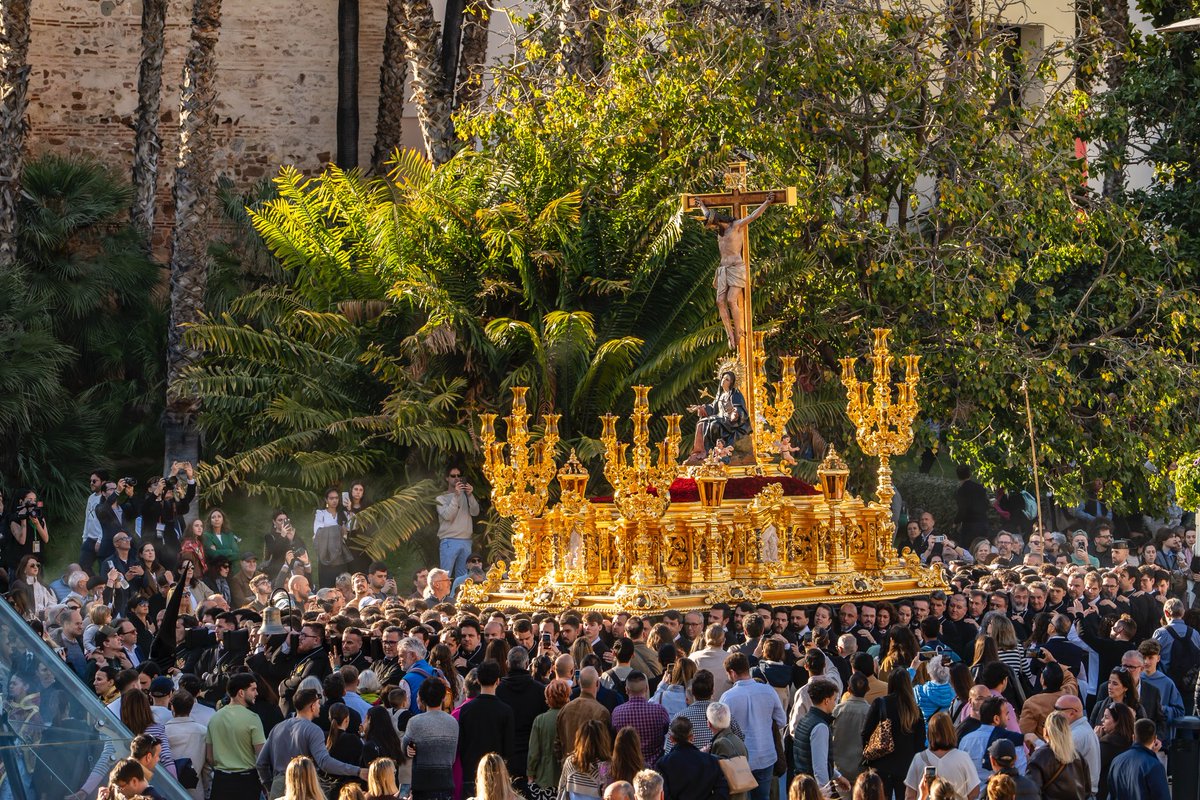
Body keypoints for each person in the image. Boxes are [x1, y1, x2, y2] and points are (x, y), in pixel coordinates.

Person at [694, 192, 774, 351]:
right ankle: (729, 333)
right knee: (719, 301)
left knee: (731, 300)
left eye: (713, 225)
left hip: (736, 268)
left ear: (718, 221)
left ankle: (738, 331)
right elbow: (708, 214)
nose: (712, 228)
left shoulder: (735, 226)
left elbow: (752, 216)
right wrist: (701, 205)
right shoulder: (720, 231)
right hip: (723, 269)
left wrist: (766, 203)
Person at [256, 688, 367, 799]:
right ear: (312, 706)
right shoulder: (313, 730)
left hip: (278, 787)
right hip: (303, 788)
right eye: (318, 703)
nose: (320, 706)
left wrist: (270, 787)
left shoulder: (277, 728)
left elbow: (261, 763)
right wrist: (357, 771)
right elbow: (324, 762)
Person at [721, 652, 786, 800]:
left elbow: (722, 729)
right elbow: (781, 721)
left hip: (740, 758)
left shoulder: (727, 697)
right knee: (763, 796)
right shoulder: (768, 690)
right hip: (766, 754)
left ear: (732, 672)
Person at [862, 669, 926, 800]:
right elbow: (920, 743)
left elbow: (865, 732)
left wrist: (869, 755)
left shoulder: (880, 703)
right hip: (906, 766)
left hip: (881, 763)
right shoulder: (915, 709)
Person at [457, 659, 515, 798]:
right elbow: (508, 748)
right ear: (498, 681)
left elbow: (461, 744)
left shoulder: (466, 710)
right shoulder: (505, 711)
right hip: (497, 774)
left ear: (478, 680)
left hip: (471, 773)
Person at [207, 673, 267, 797]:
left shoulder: (214, 718)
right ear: (241, 693)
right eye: (253, 689)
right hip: (246, 782)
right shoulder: (253, 718)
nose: (256, 693)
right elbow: (262, 756)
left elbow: (209, 757)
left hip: (220, 782)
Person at [402, 678, 459, 800]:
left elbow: (405, 753)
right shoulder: (453, 722)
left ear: (422, 698)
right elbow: (452, 758)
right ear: (443, 697)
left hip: (422, 786)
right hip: (446, 785)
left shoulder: (415, 722)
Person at [904, 711, 979, 800]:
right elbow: (974, 792)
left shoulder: (919, 759)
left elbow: (910, 795)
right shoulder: (963, 758)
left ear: (930, 733)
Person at [655, 716, 729, 800]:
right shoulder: (711, 761)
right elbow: (722, 792)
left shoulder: (663, 764)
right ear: (692, 737)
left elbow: (663, 795)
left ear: (671, 739)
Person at [687, 371, 751, 461]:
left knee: (714, 424)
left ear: (731, 383)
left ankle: (716, 451)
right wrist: (700, 408)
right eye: (723, 378)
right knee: (701, 423)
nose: (724, 380)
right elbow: (713, 408)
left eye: (727, 379)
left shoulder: (735, 394)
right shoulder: (720, 395)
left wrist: (735, 414)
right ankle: (701, 452)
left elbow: (739, 408)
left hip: (731, 422)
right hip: (721, 418)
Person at [1025, 711, 1090, 800]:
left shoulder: (1039, 757)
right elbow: (1087, 790)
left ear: (1046, 731)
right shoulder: (1078, 756)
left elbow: (1031, 791)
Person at [611, 671, 670, 767]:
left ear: (626, 690)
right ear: (646, 689)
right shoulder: (660, 711)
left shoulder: (617, 712)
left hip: (628, 767)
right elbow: (667, 731)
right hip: (654, 767)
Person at [1105, 718, 1171, 800]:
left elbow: (1111, 795)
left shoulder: (1117, 761)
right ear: (1154, 739)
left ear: (1133, 737)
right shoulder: (1154, 766)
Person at [528, 679, 572, 797]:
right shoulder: (571, 718)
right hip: (568, 779)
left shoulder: (540, 720)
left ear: (548, 698)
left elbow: (533, 752)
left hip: (545, 778)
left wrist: (530, 774)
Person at [436, 466, 479, 582]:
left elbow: (475, 512)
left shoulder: (466, 495)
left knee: (463, 578)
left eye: (459, 476)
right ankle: (443, 595)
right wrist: (456, 496)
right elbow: (448, 516)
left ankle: (458, 594)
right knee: (445, 576)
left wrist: (470, 495)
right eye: (453, 476)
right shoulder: (441, 498)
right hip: (449, 541)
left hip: (466, 541)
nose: (456, 478)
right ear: (447, 478)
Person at [558, 719, 613, 799]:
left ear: (579, 739)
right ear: (603, 740)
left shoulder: (570, 762)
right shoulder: (606, 766)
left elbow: (561, 789)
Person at [707, 702, 750, 800]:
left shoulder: (720, 743)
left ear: (709, 724)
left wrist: (705, 756)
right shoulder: (737, 739)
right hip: (741, 794)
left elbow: (717, 775)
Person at [1094, 701, 1134, 800]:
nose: (1102, 720)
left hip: (1106, 792)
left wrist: (1096, 740)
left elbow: (1093, 766)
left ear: (1118, 721)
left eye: (1106, 717)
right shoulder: (1131, 740)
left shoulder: (1108, 744)